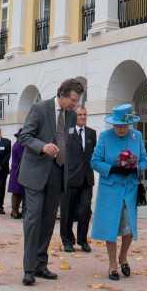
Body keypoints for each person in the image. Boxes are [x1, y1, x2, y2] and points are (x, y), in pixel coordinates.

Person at [18, 77, 83, 287]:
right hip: (36, 173)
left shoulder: (71, 116)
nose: (75, 104)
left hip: (58, 174)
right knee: (33, 220)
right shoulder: (39, 108)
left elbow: (69, 142)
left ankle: (40, 264)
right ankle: (28, 269)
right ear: (62, 95)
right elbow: (24, 136)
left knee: (47, 222)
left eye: (77, 100)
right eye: (73, 100)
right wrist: (43, 146)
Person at [91, 103, 147, 281]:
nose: (120, 129)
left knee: (129, 227)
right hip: (111, 189)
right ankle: (112, 265)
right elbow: (94, 161)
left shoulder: (136, 136)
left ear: (129, 124)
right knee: (111, 227)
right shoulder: (105, 137)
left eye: (123, 126)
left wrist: (136, 168)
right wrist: (112, 169)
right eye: (117, 125)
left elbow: (145, 160)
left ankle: (123, 256)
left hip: (130, 189)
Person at [61, 106, 96, 253]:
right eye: (80, 114)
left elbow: (94, 153)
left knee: (85, 210)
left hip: (87, 178)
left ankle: (83, 240)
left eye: (84, 114)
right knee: (67, 211)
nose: (82, 117)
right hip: (70, 178)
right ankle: (67, 240)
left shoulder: (91, 133)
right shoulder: (66, 132)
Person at [8, 128, 26, 219]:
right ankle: (14, 211)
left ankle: (15, 211)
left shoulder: (19, 144)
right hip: (17, 171)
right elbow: (23, 157)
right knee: (16, 192)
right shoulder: (18, 145)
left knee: (19, 192)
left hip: (18, 171)